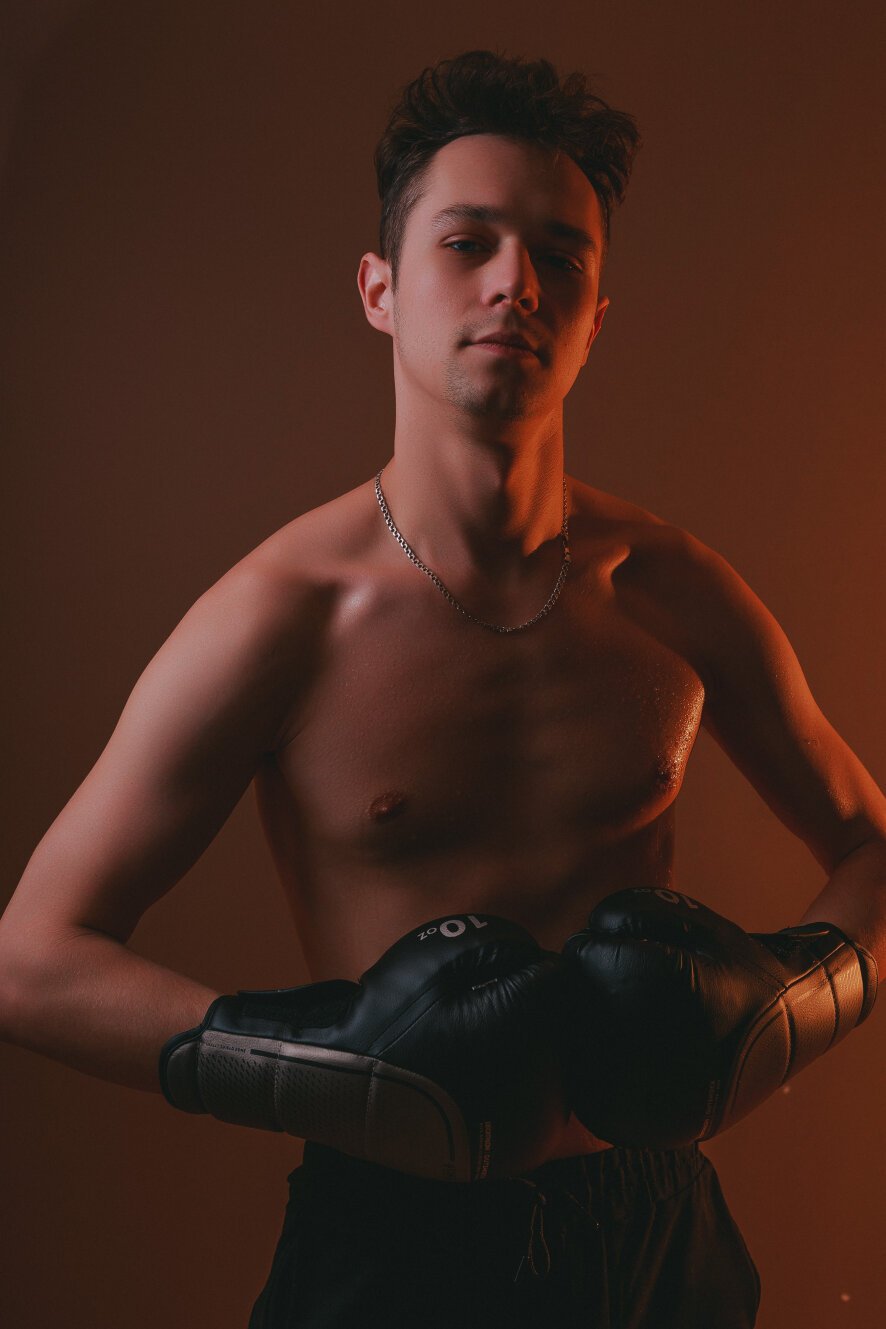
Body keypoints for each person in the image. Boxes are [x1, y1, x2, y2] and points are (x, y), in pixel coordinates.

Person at [1, 47, 884, 1328]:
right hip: (391, 1244)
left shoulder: (671, 591)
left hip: (653, 1232)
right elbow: (30, 962)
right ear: (380, 289)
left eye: (559, 258)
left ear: (595, 318)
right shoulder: (283, 616)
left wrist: (780, 1014)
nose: (514, 283)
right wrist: (333, 1066)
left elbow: (871, 849)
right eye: (467, 243)